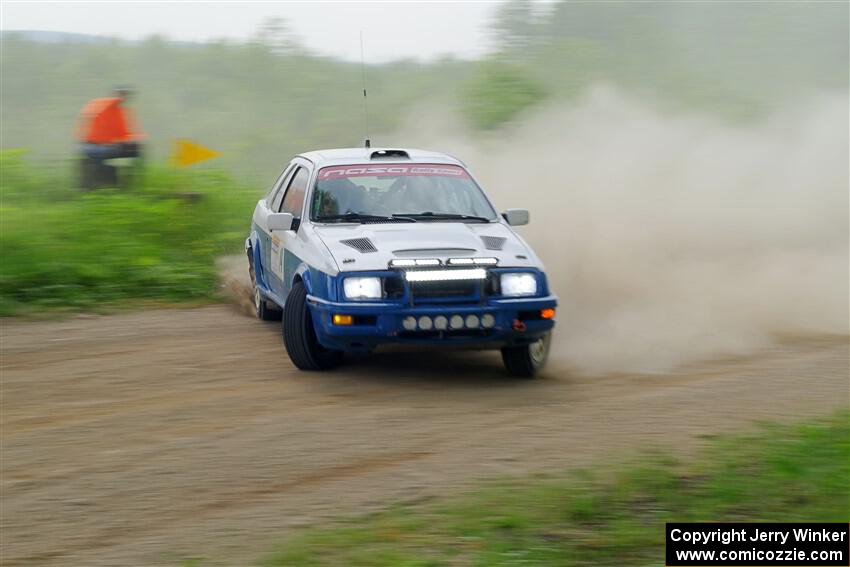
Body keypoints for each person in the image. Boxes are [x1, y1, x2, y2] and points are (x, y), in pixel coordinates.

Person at [76, 86, 144, 189]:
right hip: (90, 145)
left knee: (138, 149)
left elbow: (124, 134)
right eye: (121, 94)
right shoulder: (100, 104)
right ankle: (98, 184)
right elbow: (89, 114)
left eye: (126, 95)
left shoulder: (119, 112)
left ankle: (128, 183)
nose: (124, 98)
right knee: (99, 155)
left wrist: (135, 138)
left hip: (108, 146)